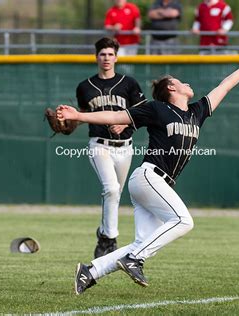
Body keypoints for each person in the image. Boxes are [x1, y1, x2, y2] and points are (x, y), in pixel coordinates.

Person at [57, 57, 239, 295]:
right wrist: (79, 116)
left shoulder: (197, 112)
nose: (187, 84)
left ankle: (90, 271)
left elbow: (225, 85)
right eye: (180, 81)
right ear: (171, 88)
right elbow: (115, 117)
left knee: (141, 242)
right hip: (149, 177)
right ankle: (135, 260)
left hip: (155, 183)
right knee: (184, 221)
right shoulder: (157, 109)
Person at [76, 37, 147, 259]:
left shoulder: (129, 84)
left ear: (116, 57)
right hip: (99, 146)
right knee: (111, 189)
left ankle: (104, 233)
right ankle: (110, 240)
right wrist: (68, 121)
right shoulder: (85, 87)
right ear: (96, 57)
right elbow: (82, 115)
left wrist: (126, 122)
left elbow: (144, 113)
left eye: (110, 54)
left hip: (125, 147)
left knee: (115, 193)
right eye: (102, 54)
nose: (106, 58)